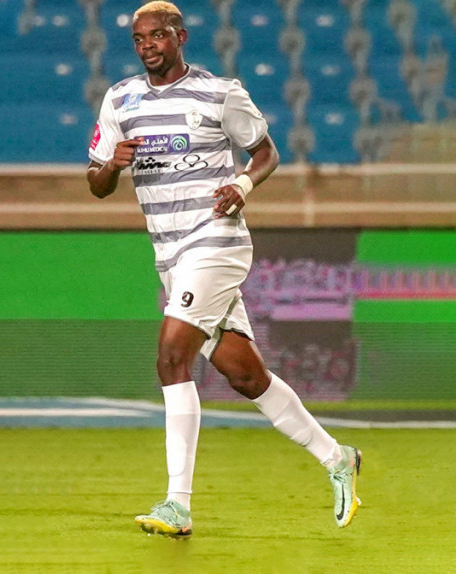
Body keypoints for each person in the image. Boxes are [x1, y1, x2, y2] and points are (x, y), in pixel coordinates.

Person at [85, 1, 361, 538]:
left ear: (180, 36)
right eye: (139, 39)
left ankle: (177, 505)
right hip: (170, 254)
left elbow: (266, 152)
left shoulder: (219, 93)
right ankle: (338, 457)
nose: (147, 46)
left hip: (216, 241)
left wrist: (242, 184)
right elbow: (95, 183)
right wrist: (112, 167)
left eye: (157, 35)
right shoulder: (120, 98)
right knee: (245, 375)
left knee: (171, 357)